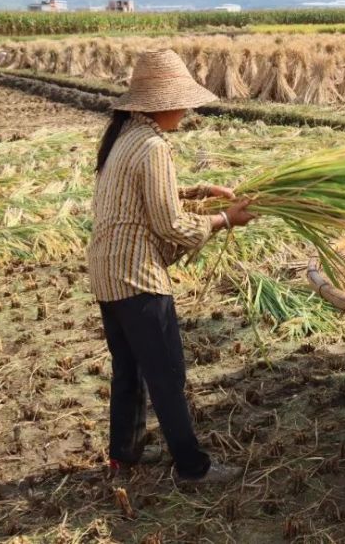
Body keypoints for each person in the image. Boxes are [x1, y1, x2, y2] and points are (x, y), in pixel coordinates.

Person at [87, 49, 255, 484]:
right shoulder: (153, 145)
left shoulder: (124, 137)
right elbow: (170, 223)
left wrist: (203, 191)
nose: (186, 110)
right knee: (167, 375)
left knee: (129, 370)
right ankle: (192, 468)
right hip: (137, 275)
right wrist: (224, 219)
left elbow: (154, 194)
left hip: (107, 274)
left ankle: (123, 457)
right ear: (163, 103)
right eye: (182, 102)